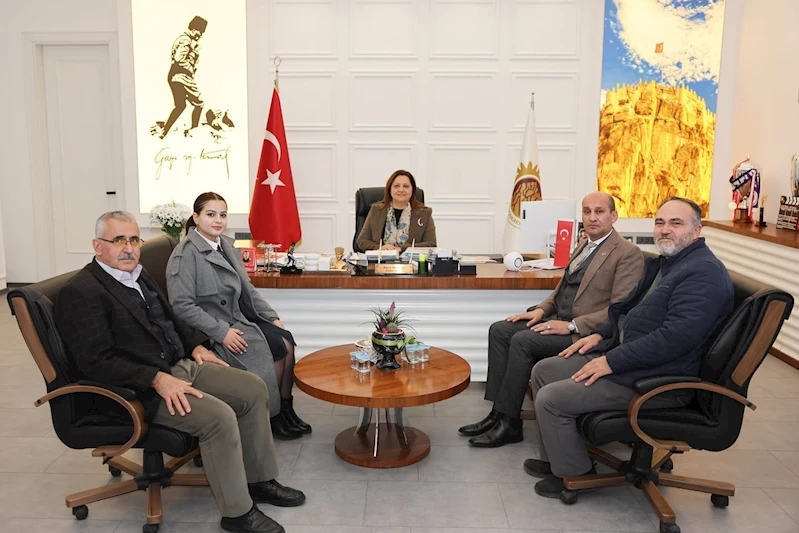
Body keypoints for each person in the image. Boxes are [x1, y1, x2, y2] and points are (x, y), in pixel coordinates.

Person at [55, 211, 303, 533]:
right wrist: (156, 379)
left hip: (179, 365)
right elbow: (95, 361)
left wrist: (196, 345)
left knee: (253, 389)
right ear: (97, 246)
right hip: (141, 389)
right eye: (118, 240)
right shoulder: (82, 292)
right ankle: (237, 514)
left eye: (134, 240)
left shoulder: (137, 274)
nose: (129, 248)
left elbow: (171, 317)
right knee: (219, 418)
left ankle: (258, 481)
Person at [524, 197, 734, 498]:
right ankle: (556, 459)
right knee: (544, 370)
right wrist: (601, 336)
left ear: (697, 230)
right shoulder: (665, 264)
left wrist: (611, 361)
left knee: (551, 398)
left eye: (676, 223)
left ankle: (574, 474)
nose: (665, 229)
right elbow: (625, 310)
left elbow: (675, 338)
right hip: (632, 362)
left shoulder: (703, 273)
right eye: (660, 223)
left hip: (658, 380)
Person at [460, 192, 644, 448]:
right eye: (587, 211)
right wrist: (541, 310)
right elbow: (561, 289)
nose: (592, 217)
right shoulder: (583, 244)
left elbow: (619, 308)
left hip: (585, 334)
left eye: (599, 211)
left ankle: (510, 423)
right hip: (559, 319)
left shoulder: (627, 253)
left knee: (523, 341)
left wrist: (570, 326)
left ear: (613, 216)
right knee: (500, 330)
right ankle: (498, 413)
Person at [167, 192, 311, 441]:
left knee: (287, 340)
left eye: (222, 215)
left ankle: (285, 409)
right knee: (277, 349)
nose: (218, 220)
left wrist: (270, 316)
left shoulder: (226, 245)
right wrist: (221, 333)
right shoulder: (185, 255)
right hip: (214, 330)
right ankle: (271, 416)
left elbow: (248, 289)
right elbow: (182, 306)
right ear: (196, 218)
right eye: (210, 214)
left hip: (240, 318)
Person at [356, 169, 437, 251]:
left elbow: (431, 244)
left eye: (406, 186)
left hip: (410, 258)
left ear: (412, 190)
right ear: (390, 189)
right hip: (382, 257)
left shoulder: (424, 213)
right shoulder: (376, 210)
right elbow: (362, 241)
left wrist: (401, 248)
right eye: (396, 186)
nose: (401, 190)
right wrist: (380, 248)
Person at [158, 16, 207, 139]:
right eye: (200, 32)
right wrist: (191, 68)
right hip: (182, 76)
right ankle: (194, 131)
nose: (200, 35)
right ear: (194, 29)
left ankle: (164, 131)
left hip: (174, 77)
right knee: (199, 103)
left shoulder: (185, 40)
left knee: (180, 106)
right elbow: (179, 59)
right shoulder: (186, 40)